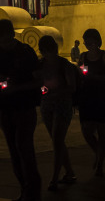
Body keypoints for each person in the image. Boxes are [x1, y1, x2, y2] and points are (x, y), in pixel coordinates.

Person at [0, 19, 41, 201]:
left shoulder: (25, 52)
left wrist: (17, 87)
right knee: (14, 149)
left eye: (5, 38)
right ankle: (24, 189)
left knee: (24, 147)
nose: (2, 42)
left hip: (24, 106)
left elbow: (38, 81)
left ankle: (33, 191)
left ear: (11, 34)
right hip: (4, 107)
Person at [76, 28, 105, 176]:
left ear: (96, 41)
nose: (87, 44)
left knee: (102, 131)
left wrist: (92, 76)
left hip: (102, 96)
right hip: (87, 96)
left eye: (89, 41)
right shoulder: (83, 56)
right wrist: (81, 72)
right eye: (85, 42)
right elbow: (80, 71)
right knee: (86, 130)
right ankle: (98, 152)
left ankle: (100, 163)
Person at [37, 35, 76, 191]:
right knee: (57, 140)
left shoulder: (64, 65)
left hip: (62, 105)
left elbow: (72, 86)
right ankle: (69, 172)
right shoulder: (41, 65)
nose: (49, 54)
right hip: (47, 105)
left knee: (57, 140)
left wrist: (53, 92)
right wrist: (44, 91)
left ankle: (54, 177)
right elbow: (38, 83)